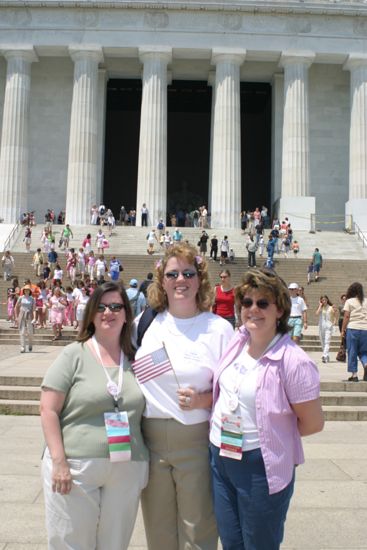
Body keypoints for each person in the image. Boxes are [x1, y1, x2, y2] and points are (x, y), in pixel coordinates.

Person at [209, 268, 324, 550]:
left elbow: (312, 423)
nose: (253, 309)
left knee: (259, 544)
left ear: (280, 310)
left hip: (259, 465)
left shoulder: (293, 361)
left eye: (263, 303)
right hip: (221, 456)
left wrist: (272, 433)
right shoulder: (238, 343)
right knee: (232, 542)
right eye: (247, 303)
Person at [133, 243, 234, 550]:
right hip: (150, 440)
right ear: (161, 280)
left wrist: (204, 400)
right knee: (158, 530)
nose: (181, 280)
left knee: (198, 528)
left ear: (200, 280)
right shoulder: (145, 324)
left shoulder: (219, 329)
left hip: (196, 439)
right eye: (173, 273)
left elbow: (237, 389)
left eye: (189, 273)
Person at [40, 281, 149, 549]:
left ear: (126, 314)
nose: (108, 312)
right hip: (76, 468)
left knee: (115, 544)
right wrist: (59, 462)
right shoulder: (73, 354)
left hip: (126, 466)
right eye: (100, 307)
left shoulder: (136, 358)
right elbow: (48, 409)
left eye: (115, 306)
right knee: (71, 542)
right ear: (91, 313)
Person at [341, 282, 367, 382]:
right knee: (364, 351)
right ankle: (365, 363)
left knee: (352, 351)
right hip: (365, 329)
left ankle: (354, 375)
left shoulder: (349, 301)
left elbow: (346, 316)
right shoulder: (366, 301)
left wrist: (343, 330)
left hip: (353, 328)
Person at [316, 295, 337, 363]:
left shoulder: (331, 307)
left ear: (327, 300)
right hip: (321, 326)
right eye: (322, 300)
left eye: (325, 300)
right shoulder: (321, 307)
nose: (324, 301)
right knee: (322, 342)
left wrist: (334, 321)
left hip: (328, 326)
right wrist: (320, 305)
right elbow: (316, 313)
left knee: (327, 341)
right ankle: (326, 355)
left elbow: (335, 314)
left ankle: (324, 356)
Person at [15, 285, 35, 353]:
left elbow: (34, 309)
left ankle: (30, 344)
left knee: (30, 332)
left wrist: (35, 318)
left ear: (30, 291)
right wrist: (16, 317)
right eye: (25, 290)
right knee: (22, 331)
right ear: (23, 291)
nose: (26, 291)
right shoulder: (21, 297)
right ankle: (22, 346)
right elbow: (16, 307)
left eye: (28, 290)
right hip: (22, 314)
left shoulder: (32, 299)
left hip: (29, 315)